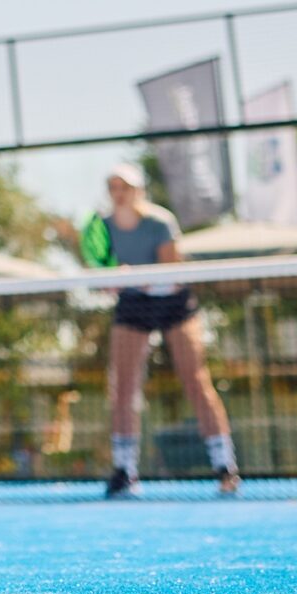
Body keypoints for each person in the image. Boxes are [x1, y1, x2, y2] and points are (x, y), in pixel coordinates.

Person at [96, 163, 239, 497]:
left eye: (125, 186)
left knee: (196, 380)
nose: (119, 193)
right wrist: (109, 282)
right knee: (122, 388)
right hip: (133, 305)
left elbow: (170, 272)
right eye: (113, 187)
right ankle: (124, 470)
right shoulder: (102, 227)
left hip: (173, 302)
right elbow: (103, 270)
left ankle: (225, 467)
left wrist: (131, 277)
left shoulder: (159, 222)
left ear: (138, 190)